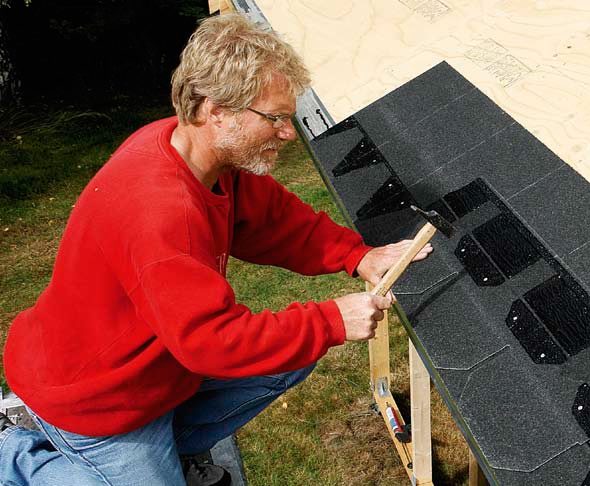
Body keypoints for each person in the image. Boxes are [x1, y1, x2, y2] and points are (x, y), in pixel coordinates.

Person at [0, 14, 431, 486]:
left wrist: (357, 255)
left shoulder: (199, 155)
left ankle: (168, 452)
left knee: (291, 354)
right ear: (216, 110)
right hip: (98, 402)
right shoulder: (160, 212)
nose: (289, 132)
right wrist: (329, 321)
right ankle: (15, 453)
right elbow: (210, 341)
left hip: (157, 371)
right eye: (274, 118)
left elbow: (275, 222)